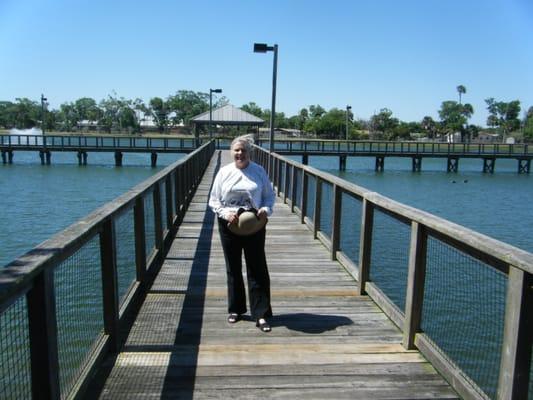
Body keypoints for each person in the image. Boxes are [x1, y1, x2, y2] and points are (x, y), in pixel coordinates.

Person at [209, 135, 276, 332]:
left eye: (243, 150)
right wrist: (224, 213)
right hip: (229, 224)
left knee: (257, 267)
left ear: (250, 153)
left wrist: (266, 209)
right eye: (236, 150)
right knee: (233, 266)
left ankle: (261, 314)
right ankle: (236, 309)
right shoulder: (224, 172)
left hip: (254, 224)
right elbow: (214, 200)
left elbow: (269, 196)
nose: (240, 153)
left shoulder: (258, 171)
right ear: (232, 153)